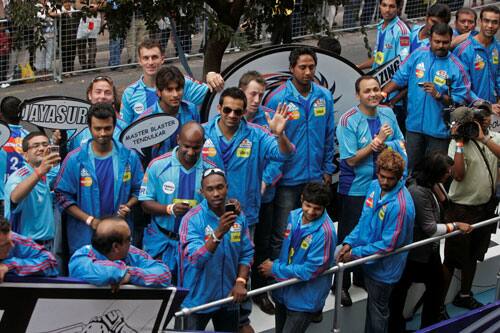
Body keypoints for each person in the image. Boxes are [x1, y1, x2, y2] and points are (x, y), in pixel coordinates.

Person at [335, 75, 404, 306]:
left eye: (376, 89)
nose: (373, 94)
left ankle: (362, 277)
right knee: (349, 234)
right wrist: (375, 144)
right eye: (367, 91)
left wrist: (387, 145)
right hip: (356, 187)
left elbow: (401, 143)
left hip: (383, 188)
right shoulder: (348, 120)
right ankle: (340, 284)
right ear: (358, 95)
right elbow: (350, 160)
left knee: (372, 233)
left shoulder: (388, 113)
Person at [265, 47, 335, 261]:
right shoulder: (278, 99)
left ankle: (305, 269)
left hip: (315, 177)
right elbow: (269, 141)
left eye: (311, 67)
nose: (307, 72)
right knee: (282, 232)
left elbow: (328, 135)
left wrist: (327, 169)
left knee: (313, 230)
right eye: (302, 67)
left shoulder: (324, 96)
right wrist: (274, 175)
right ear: (291, 68)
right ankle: (277, 279)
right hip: (286, 179)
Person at [388, 152, 472, 332]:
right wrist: (456, 226)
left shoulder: (431, 185)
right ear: (435, 172)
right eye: (446, 171)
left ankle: (427, 327)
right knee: (401, 294)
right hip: (415, 253)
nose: (449, 174)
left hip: (427, 252)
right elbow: (431, 229)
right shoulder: (418, 191)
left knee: (434, 287)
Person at [337, 149, 415, 333]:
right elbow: (364, 221)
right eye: (382, 176)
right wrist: (349, 242)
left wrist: (354, 254)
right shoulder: (374, 187)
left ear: (399, 177)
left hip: (385, 269)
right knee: (373, 309)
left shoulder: (400, 206)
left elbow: (388, 245)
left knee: (378, 312)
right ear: (377, 172)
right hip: (368, 260)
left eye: (390, 178)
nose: (385, 182)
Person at [54, 103, 143, 255]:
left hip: (119, 238)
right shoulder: (74, 159)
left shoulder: (129, 157)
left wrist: (128, 205)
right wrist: (90, 220)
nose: (102, 133)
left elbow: (140, 189)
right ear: (89, 128)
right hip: (84, 238)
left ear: (114, 127)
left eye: (107, 128)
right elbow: (62, 195)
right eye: (97, 128)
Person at [383, 23, 470, 171]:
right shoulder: (418, 55)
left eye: (445, 42)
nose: (441, 46)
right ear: (430, 39)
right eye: (437, 41)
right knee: (409, 170)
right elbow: (399, 77)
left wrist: (440, 96)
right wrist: (383, 93)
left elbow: (461, 99)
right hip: (413, 128)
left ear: (450, 41)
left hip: (439, 133)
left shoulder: (457, 66)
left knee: (434, 174)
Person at [179, 168, 254, 332]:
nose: (216, 194)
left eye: (220, 187)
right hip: (197, 300)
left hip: (228, 297)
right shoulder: (191, 219)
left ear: (227, 187)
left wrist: (241, 282)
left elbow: (246, 252)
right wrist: (219, 232)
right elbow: (194, 260)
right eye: (210, 189)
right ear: (202, 192)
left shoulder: (238, 216)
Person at [140, 122, 215, 280]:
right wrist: (170, 209)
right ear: (178, 139)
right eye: (187, 146)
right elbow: (145, 204)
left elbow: (216, 207)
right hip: (161, 242)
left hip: (194, 245)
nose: (191, 152)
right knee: (159, 287)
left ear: (203, 143)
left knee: (188, 294)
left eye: (196, 147)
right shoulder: (157, 166)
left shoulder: (210, 170)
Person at [258, 182, 337, 333]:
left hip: (304, 300)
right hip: (284, 289)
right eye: (308, 205)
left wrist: (274, 268)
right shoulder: (294, 216)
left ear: (325, 207)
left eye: (317, 208)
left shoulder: (325, 233)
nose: (311, 212)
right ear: (301, 199)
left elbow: (310, 270)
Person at [443, 103, 500, 310]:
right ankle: (438, 306)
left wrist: (483, 138)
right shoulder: (458, 144)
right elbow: (458, 175)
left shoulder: (493, 138)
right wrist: (459, 143)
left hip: (485, 208)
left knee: (474, 256)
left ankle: (465, 294)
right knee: (451, 259)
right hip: (461, 209)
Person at [238, 71, 280, 315]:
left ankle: (261, 292)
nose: (256, 99)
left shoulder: (269, 119)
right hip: (237, 200)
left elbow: (279, 157)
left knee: (262, 244)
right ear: (242, 91)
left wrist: (265, 180)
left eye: (260, 95)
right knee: (239, 247)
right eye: (253, 93)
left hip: (265, 197)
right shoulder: (229, 116)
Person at [120, 39, 224, 126]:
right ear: (140, 61)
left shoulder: (182, 82)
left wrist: (212, 76)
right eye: (146, 58)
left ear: (162, 59)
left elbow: (216, 93)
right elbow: (123, 130)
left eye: (154, 57)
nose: (150, 62)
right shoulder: (130, 93)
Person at [69, 216, 171, 289]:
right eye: (129, 239)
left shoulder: (133, 253)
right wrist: (122, 273)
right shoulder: (81, 257)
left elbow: (164, 274)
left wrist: (130, 275)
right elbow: (102, 273)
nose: (131, 243)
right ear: (116, 247)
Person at [4, 132, 60, 250]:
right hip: (25, 247)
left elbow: (55, 171)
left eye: (45, 145)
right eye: (35, 146)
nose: (41, 148)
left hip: (46, 245)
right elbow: (15, 197)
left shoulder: (46, 175)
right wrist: (39, 172)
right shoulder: (19, 176)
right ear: (25, 155)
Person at [138, 66, 199, 158]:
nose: (175, 94)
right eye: (169, 90)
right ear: (158, 92)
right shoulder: (146, 119)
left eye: (178, 89)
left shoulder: (191, 109)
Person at [453, 6, 500, 114]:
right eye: (486, 21)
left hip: (494, 111)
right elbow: (461, 86)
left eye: (494, 22)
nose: (490, 26)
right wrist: (485, 105)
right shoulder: (463, 50)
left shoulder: (498, 48)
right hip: (469, 112)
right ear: (479, 22)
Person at [0, 216, 58, 282]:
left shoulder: (17, 240)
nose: (12, 245)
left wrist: (9, 265)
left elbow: (50, 261)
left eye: (11, 240)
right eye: (5, 244)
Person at [357, 0, 410, 71]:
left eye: (392, 6)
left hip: (389, 80)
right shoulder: (380, 25)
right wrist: (358, 67)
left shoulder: (402, 31)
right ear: (380, 6)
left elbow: (403, 63)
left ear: (398, 8)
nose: (387, 10)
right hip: (376, 76)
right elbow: (378, 58)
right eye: (384, 5)